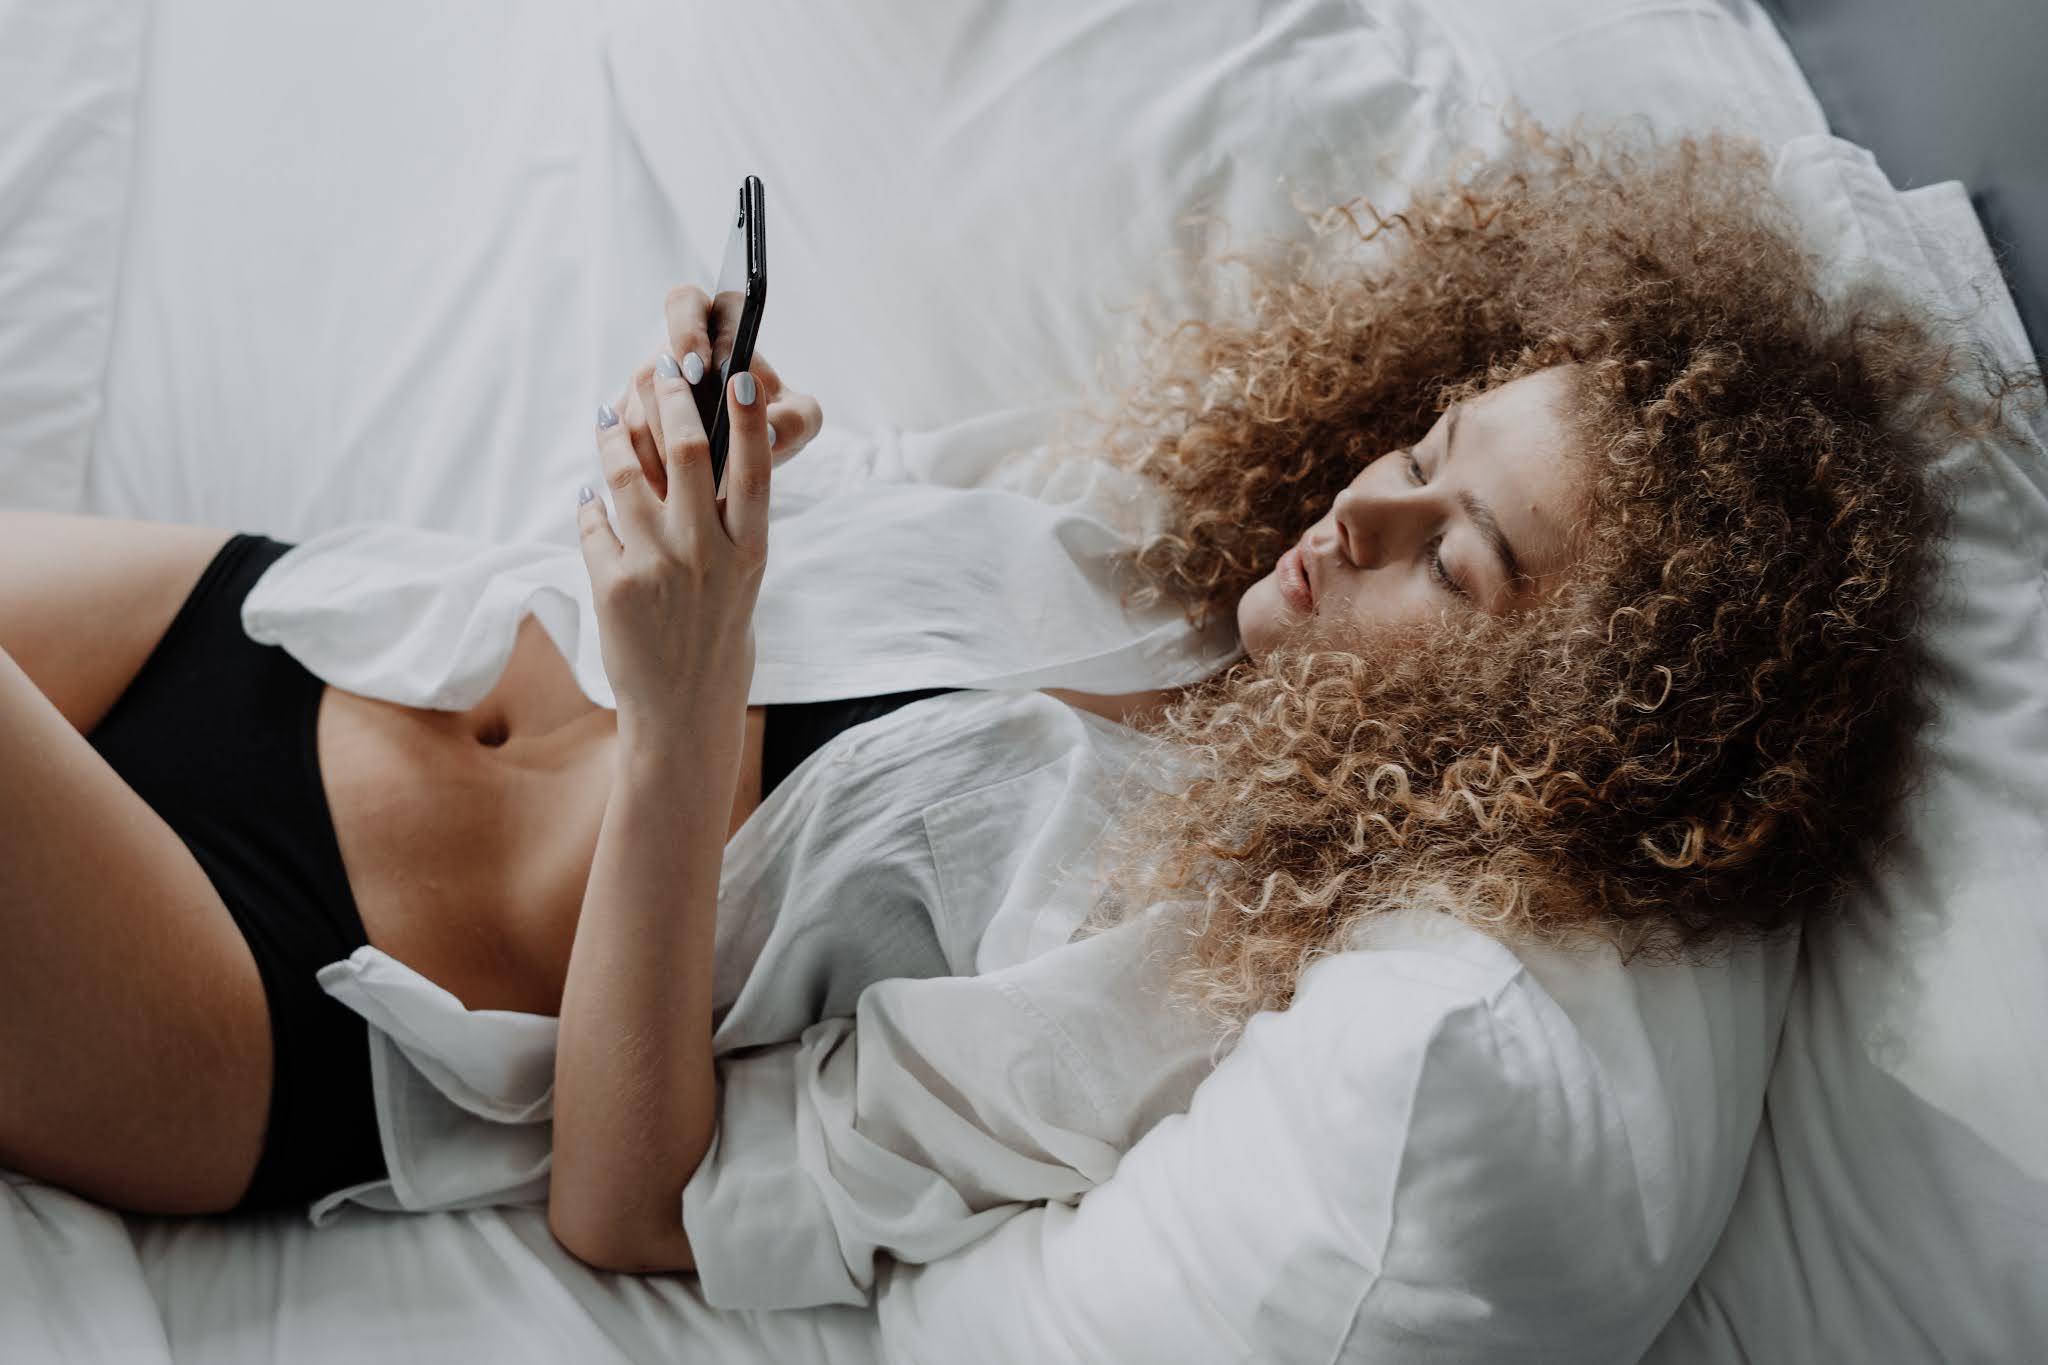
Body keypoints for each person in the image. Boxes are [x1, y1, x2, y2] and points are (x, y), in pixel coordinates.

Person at [0, 125, 1996, 1288]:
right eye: (1430, 435)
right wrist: (736, 450)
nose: (1363, 502)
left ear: (1544, 725)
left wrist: (688, 716)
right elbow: (837, 563)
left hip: (276, 975)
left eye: (1455, 557)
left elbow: (633, 1204)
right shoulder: (1154, 561)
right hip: (292, 628)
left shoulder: (1152, 961)